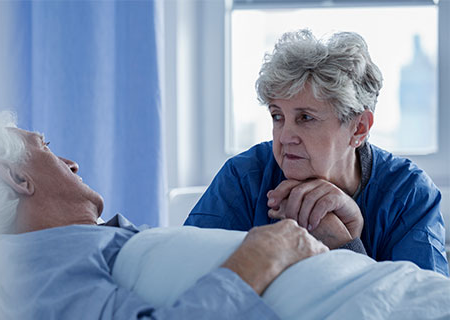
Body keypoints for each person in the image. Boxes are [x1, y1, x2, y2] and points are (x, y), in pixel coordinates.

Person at [0, 112, 328, 319]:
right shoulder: (31, 263)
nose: (71, 164)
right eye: (46, 149)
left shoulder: (68, 246)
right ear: (19, 178)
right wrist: (261, 257)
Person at [184, 29, 449, 276]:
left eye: (306, 118)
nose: (285, 136)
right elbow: (188, 278)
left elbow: (424, 307)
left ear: (358, 128)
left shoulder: (408, 194)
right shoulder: (243, 178)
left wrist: (344, 245)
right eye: (278, 116)